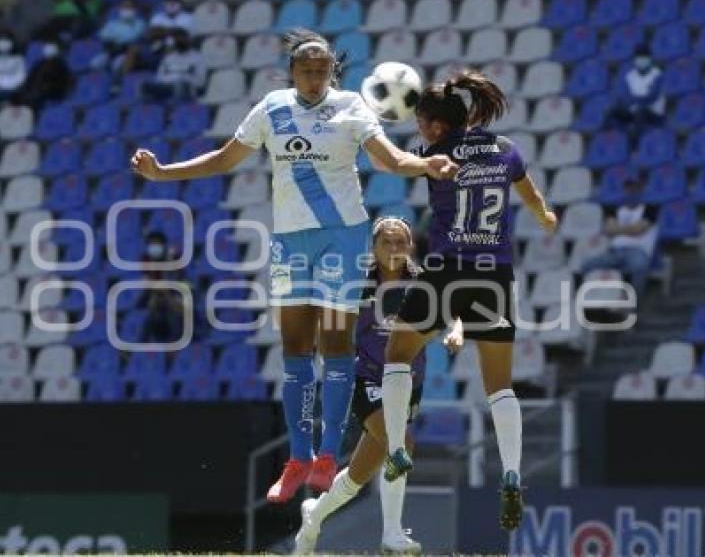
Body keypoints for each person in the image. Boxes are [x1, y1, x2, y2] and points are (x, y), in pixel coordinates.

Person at [131, 28, 456, 503]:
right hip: (290, 240)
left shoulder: (351, 107)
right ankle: (298, 458)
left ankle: (328, 456)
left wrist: (422, 165)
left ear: (332, 72)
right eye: (306, 69)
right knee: (296, 350)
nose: (313, 76)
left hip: (344, 236)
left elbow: (388, 159)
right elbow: (225, 159)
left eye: (322, 69)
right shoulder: (271, 108)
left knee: (336, 344)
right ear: (292, 72)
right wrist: (164, 172)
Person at [377, 70, 557, 531]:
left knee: (397, 354)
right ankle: (512, 473)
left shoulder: (436, 152)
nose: (420, 129)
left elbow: (395, 163)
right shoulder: (506, 150)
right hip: (494, 274)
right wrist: (546, 216)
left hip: (446, 269)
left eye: (422, 121)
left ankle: (397, 448)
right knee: (500, 386)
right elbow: (531, 195)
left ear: (438, 125)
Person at [293, 217, 464, 554]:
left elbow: (454, 312)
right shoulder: (356, 282)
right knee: (400, 444)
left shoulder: (422, 283)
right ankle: (392, 534)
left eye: (401, 242)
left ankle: (315, 514)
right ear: (373, 247)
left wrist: (456, 332)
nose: (395, 248)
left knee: (357, 477)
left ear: (411, 246)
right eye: (387, 242)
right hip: (365, 375)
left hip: (408, 379)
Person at [581, 173, 658, 296]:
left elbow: (638, 229)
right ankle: (590, 297)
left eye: (635, 187)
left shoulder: (650, 209)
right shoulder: (615, 209)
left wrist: (618, 229)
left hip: (638, 251)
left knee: (639, 266)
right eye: (629, 187)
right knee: (587, 265)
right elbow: (609, 229)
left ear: (641, 189)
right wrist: (629, 229)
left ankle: (634, 302)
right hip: (615, 251)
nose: (632, 191)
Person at [606, 47, 665, 142]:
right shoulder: (630, 75)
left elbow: (651, 97)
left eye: (644, 57)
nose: (641, 60)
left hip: (653, 113)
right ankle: (609, 141)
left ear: (650, 59)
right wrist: (633, 100)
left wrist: (634, 100)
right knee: (611, 112)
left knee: (640, 114)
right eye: (638, 57)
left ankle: (633, 148)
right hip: (633, 110)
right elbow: (625, 96)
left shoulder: (657, 74)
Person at [141, 30, 205, 103]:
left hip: (187, 88)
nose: (180, 41)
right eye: (178, 40)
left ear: (189, 40)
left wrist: (182, 78)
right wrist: (170, 80)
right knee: (144, 86)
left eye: (183, 39)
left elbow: (200, 81)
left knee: (179, 86)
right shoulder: (168, 58)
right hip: (167, 87)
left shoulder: (198, 57)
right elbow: (159, 77)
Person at [20, 40, 72, 111]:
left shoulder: (61, 67)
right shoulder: (39, 65)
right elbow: (32, 80)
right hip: (40, 96)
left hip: (56, 95)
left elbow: (65, 83)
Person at [98, 0, 146, 71]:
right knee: (96, 64)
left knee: (116, 66)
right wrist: (120, 37)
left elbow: (132, 37)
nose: (126, 10)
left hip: (125, 52)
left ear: (135, 9)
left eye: (129, 7)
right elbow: (103, 35)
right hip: (110, 51)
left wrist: (114, 36)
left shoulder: (140, 23)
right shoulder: (112, 23)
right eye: (124, 7)